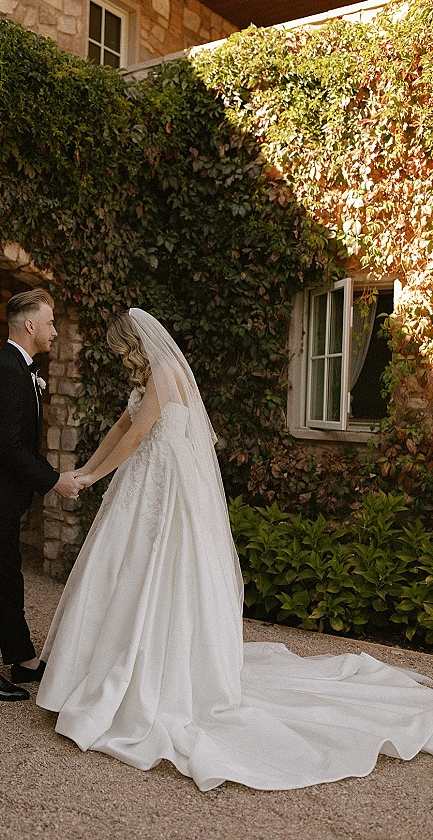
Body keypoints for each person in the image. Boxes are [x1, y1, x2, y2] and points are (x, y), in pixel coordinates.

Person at [36, 307, 433, 791]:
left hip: (166, 485)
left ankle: (154, 678)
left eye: (123, 349)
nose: (122, 359)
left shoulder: (164, 372)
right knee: (121, 570)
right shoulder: (150, 376)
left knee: (161, 574)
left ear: (137, 343)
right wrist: (83, 470)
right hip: (143, 480)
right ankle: (96, 670)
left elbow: (140, 435)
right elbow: (122, 429)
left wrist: (93, 478)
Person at [0, 289, 83, 702]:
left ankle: (22, 658)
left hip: (0, 498)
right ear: (29, 326)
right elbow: (7, 446)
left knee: (8, 577)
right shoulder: (8, 371)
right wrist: (53, 480)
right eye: (49, 323)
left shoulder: (19, 367)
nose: (55, 332)